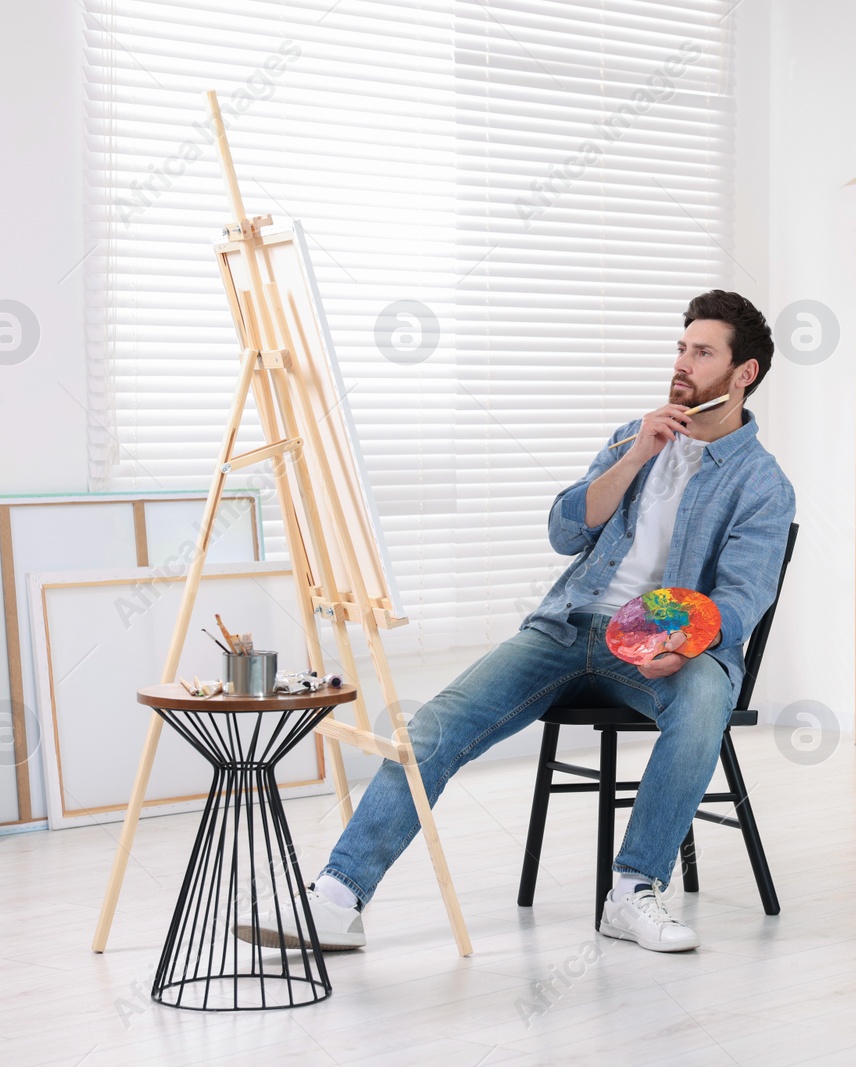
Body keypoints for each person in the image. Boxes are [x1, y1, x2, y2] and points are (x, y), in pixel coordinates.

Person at [238, 289, 795, 954]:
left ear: (743, 374)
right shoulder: (634, 435)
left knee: (708, 692)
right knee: (437, 721)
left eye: (702, 352)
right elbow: (564, 530)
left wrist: (680, 643)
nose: (683, 363)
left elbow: (742, 598)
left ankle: (632, 891)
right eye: (681, 347)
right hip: (565, 630)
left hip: (661, 646)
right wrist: (634, 458)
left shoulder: (761, 483)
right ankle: (337, 898)